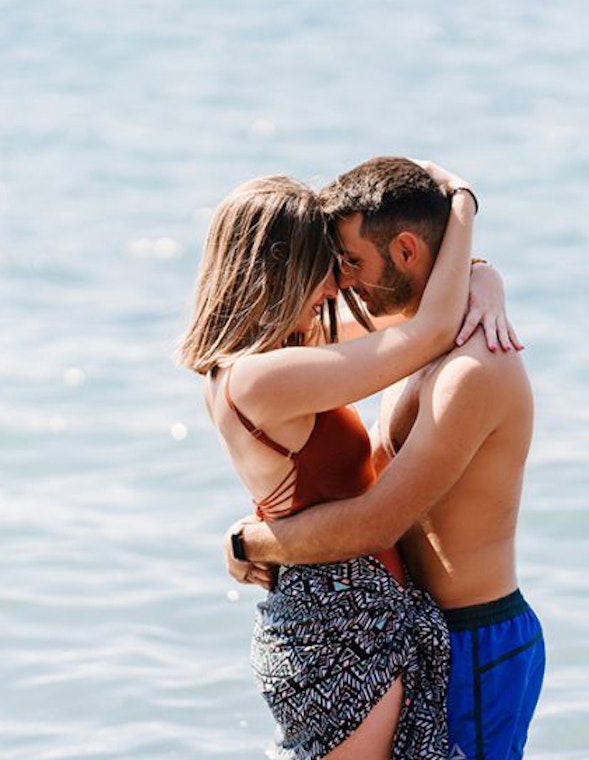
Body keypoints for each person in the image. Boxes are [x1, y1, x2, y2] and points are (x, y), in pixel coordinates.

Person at [177, 165, 508, 760]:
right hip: (339, 621)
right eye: (321, 268)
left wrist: (484, 275)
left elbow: (416, 309)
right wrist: (462, 202)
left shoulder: (277, 355)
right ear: (276, 273)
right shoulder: (262, 377)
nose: (335, 287)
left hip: (338, 609)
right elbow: (431, 330)